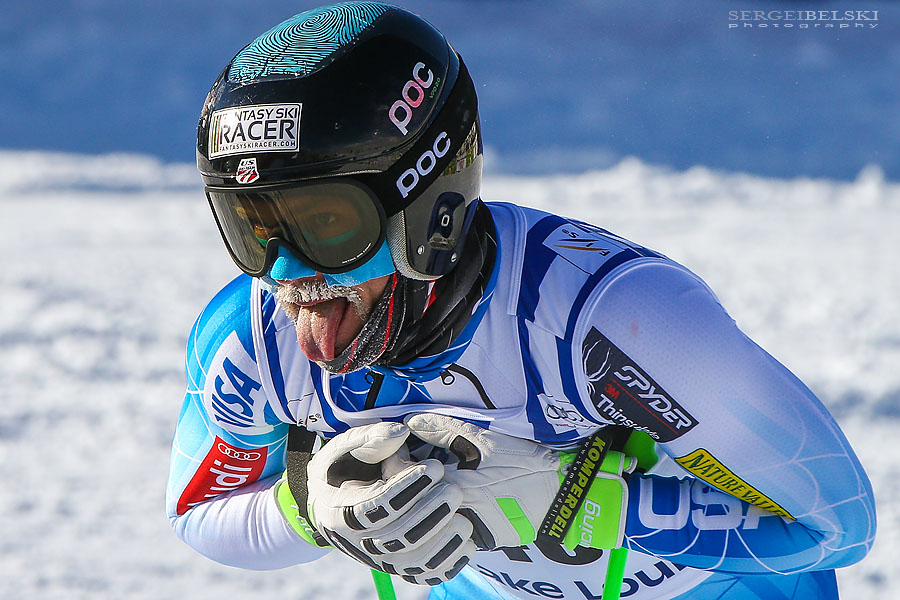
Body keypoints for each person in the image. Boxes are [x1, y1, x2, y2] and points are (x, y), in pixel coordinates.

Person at [166, 3, 876, 599]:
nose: (289, 275)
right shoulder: (251, 340)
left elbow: (836, 527)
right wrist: (309, 503)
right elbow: (198, 514)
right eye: (253, 227)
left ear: (428, 209)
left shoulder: (613, 325)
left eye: (327, 225)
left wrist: (588, 506)